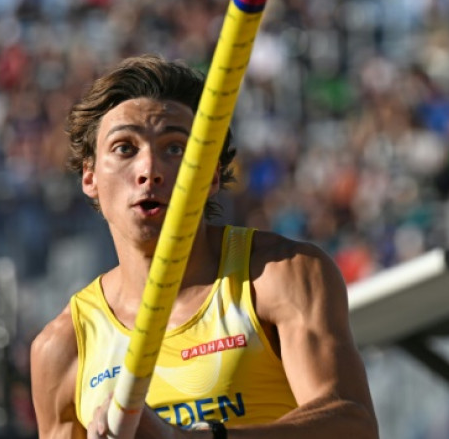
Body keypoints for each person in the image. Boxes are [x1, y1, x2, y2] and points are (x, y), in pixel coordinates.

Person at [30, 55, 378, 439]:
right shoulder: (64, 347)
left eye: (175, 148)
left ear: (211, 175)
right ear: (90, 176)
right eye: (125, 148)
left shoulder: (281, 274)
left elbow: (353, 425)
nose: (150, 169)